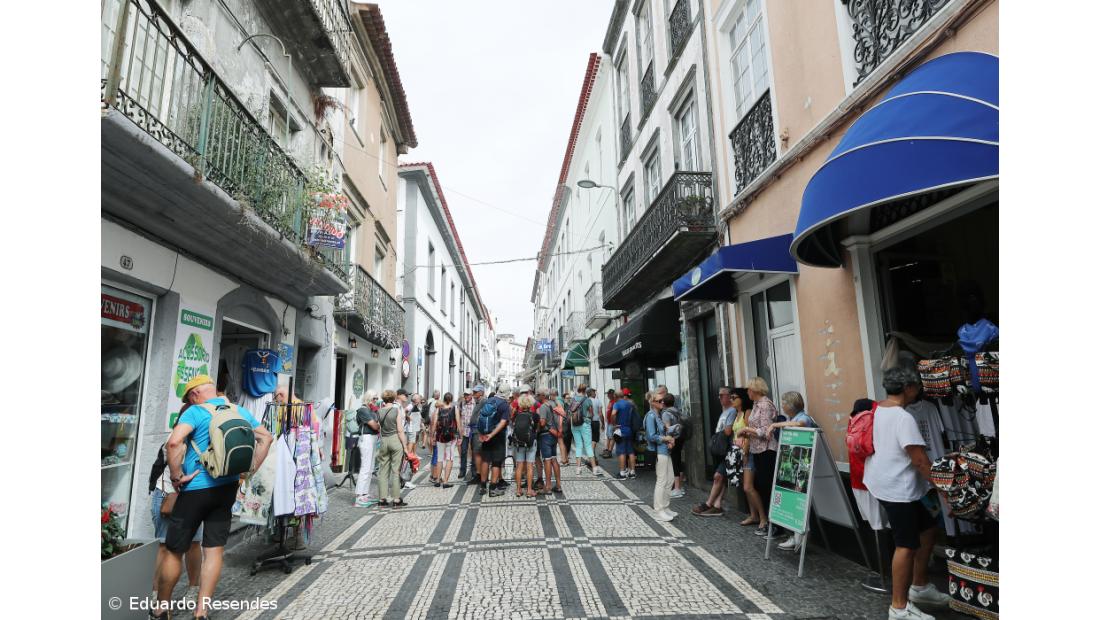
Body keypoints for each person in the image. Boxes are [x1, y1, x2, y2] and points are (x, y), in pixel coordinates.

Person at [155, 375, 273, 620]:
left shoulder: (195, 412)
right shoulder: (238, 410)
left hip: (195, 489)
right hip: (226, 489)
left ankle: (161, 608)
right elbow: (266, 438)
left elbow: (174, 443)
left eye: (188, 397)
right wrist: (249, 471)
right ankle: (202, 611)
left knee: (174, 550)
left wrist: (177, 477)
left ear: (194, 395)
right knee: (214, 550)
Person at [865, 367, 952, 620]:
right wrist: (943, 489)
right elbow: (920, 461)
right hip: (898, 489)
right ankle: (899, 608)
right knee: (905, 545)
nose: (919, 390)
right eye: (917, 386)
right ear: (908, 388)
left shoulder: (879, 408)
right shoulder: (904, 418)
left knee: (927, 530)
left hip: (888, 482)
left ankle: (920, 586)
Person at [149, 404, 203, 607]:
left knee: (192, 544)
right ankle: (157, 595)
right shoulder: (175, 441)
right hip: (169, 497)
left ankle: (192, 589)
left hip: (190, 497)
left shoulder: (200, 441)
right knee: (165, 545)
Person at [768, 391, 818, 549]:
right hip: (793, 467)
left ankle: (799, 538)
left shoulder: (803, 418)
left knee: (799, 503)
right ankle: (796, 537)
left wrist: (775, 424)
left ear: (791, 405)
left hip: (802, 469)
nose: (782, 406)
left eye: (784, 403)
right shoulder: (792, 418)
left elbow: (800, 425)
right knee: (795, 502)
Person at [736, 376, 779, 537]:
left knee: (767, 485)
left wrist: (746, 431)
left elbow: (766, 431)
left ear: (754, 390)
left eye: (748, 389)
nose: (747, 391)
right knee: (761, 485)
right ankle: (768, 522)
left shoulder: (765, 405)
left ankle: (772, 524)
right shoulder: (756, 405)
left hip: (766, 450)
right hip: (757, 450)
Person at [692, 386, 742, 517]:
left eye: (722, 395)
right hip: (722, 448)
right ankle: (717, 505)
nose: (719, 398)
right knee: (721, 477)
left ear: (729, 396)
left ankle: (709, 504)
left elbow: (727, 431)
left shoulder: (731, 411)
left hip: (729, 449)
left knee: (718, 476)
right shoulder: (725, 411)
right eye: (719, 395)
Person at [376, 390, 413, 508]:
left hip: (384, 440)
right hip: (395, 440)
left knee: (383, 470)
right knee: (396, 470)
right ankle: (396, 499)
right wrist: (405, 447)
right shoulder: (396, 410)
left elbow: (378, 427)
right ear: (393, 398)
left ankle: (382, 499)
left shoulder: (379, 411)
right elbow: (400, 430)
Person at [645, 393, 677, 522]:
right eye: (659, 401)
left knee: (669, 479)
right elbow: (651, 436)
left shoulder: (658, 415)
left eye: (663, 400)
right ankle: (658, 510)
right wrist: (666, 438)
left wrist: (670, 439)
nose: (662, 402)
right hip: (658, 451)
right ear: (652, 402)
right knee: (662, 480)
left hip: (665, 451)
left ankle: (665, 506)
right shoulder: (651, 416)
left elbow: (663, 432)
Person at [476, 385, 511, 496]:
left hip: (485, 434)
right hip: (497, 437)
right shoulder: (505, 405)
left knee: (485, 460)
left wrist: (482, 433)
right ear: (506, 393)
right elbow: (503, 422)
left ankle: (482, 486)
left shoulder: (489, 400)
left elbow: (480, 417)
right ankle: (493, 488)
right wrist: (492, 434)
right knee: (496, 462)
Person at [657, 386, 685, 498]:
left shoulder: (665, 413)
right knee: (678, 461)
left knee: (674, 463)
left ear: (664, 402)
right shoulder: (677, 410)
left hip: (673, 439)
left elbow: (668, 429)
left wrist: (669, 441)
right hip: (680, 438)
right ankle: (680, 487)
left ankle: (677, 488)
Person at [511, 394, 542, 497]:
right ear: (530, 404)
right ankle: (529, 490)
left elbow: (513, 425)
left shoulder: (516, 415)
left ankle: (518, 490)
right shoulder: (535, 416)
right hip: (530, 443)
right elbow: (537, 429)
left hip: (518, 444)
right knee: (530, 466)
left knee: (519, 466)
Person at [354, 394, 381, 507]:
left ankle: (365, 493)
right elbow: (375, 426)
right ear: (369, 398)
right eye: (374, 398)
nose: (376, 400)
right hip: (366, 438)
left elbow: (377, 424)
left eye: (376, 398)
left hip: (372, 438)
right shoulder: (363, 410)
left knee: (370, 467)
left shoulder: (372, 410)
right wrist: (378, 424)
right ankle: (359, 496)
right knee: (365, 467)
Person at [569, 384, 602, 476]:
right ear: (585, 391)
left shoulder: (573, 399)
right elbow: (591, 414)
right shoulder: (587, 400)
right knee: (588, 445)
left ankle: (578, 469)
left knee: (578, 445)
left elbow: (570, 410)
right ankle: (595, 468)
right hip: (585, 424)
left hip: (574, 424)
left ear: (578, 390)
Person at [536, 388, 564, 494]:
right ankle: (558, 485)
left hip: (545, 435)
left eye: (538, 395)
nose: (537, 397)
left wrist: (537, 425)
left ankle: (547, 487)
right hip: (554, 435)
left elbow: (543, 423)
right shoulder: (554, 404)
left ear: (543, 395)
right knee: (554, 459)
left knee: (547, 460)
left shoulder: (543, 407)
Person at [430, 392, 459, 488]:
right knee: (449, 458)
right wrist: (460, 436)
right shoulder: (455, 408)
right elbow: (458, 423)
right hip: (451, 437)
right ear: (451, 399)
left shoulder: (439, 409)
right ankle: (446, 482)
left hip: (439, 436)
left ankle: (438, 480)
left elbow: (434, 423)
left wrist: (432, 435)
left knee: (439, 458)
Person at [612, 390, 638, 479]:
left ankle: (622, 473)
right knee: (630, 451)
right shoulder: (629, 404)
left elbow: (613, 414)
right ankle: (632, 472)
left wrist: (614, 424)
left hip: (621, 430)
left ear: (616, 396)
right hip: (629, 429)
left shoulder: (617, 404)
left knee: (621, 452)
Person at [458, 388, 476, 480]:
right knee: (463, 451)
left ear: (471, 395)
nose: (466, 396)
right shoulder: (462, 403)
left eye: (468, 395)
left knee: (473, 451)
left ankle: (474, 471)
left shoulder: (475, 403)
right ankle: (462, 470)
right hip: (464, 431)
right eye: (465, 395)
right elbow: (459, 416)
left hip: (473, 430)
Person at [586, 388, 603, 462]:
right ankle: (591, 456)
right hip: (595, 422)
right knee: (594, 440)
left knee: (589, 440)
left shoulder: (585, 401)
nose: (595, 393)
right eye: (594, 392)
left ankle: (592, 456)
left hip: (587, 423)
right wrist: (603, 423)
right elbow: (600, 413)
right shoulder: (597, 401)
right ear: (591, 393)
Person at [603, 389, 617, 457]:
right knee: (608, 436)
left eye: (609, 394)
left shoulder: (614, 402)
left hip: (612, 422)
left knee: (611, 437)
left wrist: (613, 422)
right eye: (607, 394)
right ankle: (607, 450)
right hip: (609, 422)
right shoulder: (610, 401)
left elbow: (614, 413)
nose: (608, 395)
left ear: (612, 394)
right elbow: (608, 411)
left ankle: (610, 451)